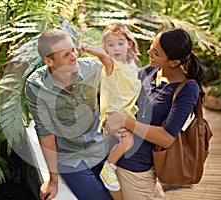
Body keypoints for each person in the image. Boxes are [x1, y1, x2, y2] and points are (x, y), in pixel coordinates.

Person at [25, 29, 132, 200]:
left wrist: (113, 124)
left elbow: (115, 94)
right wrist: (53, 180)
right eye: (66, 55)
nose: (74, 57)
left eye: (73, 50)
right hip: (69, 158)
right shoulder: (36, 86)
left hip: (100, 148)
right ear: (49, 61)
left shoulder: (93, 69)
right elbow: (45, 132)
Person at [104, 28, 205, 199]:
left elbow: (166, 137)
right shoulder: (148, 72)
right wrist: (110, 123)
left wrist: (124, 121)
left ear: (173, 62)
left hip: (137, 172)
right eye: (152, 46)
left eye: (156, 52)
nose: (149, 52)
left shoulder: (187, 89)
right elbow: (122, 100)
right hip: (110, 164)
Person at [78, 22, 141, 191]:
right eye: (110, 45)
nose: (116, 48)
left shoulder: (132, 66)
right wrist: (88, 47)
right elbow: (103, 56)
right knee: (127, 140)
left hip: (127, 113)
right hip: (114, 114)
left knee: (126, 142)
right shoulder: (111, 65)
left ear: (129, 43)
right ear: (105, 47)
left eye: (120, 43)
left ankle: (107, 166)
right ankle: (108, 167)